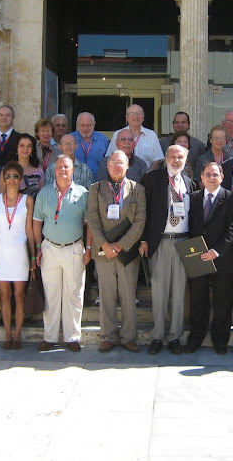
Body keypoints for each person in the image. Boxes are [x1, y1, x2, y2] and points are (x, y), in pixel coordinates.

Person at [139, 145, 197, 355]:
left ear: (185, 160)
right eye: (172, 156)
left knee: (180, 292)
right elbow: (143, 211)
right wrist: (144, 239)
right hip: (160, 242)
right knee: (159, 290)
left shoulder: (189, 183)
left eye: (180, 157)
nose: (176, 160)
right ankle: (157, 336)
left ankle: (175, 337)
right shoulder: (153, 178)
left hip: (183, 242)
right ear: (165, 158)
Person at [87, 151, 146, 353]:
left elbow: (140, 221)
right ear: (107, 165)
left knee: (128, 295)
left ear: (127, 165)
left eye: (121, 163)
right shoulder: (96, 189)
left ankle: (129, 337)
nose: (117, 166)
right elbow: (93, 220)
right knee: (107, 295)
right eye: (113, 162)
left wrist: (120, 245)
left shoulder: (138, 189)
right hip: (103, 251)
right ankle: (108, 336)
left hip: (127, 251)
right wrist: (104, 244)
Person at [34, 155, 91, 352]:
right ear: (54, 170)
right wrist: (37, 248)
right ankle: (49, 337)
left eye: (66, 167)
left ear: (72, 170)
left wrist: (89, 248)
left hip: (74, 248)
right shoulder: (44, 194)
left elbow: (90, 223)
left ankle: (72, 337)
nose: (62, 170)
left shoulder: (83, 193)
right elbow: (36, 222)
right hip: (49, 247)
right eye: (59, 167)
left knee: (74, 294)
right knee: (51, 294)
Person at [185, 162, 233, 355]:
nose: (211, 178)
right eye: (207, 174)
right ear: (201, 177)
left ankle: (220, 340)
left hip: (221, 257)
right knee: (198, 300)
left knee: (222, 301)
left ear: (222, 177)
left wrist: (216, 251)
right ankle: (195, 338)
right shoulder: (192, 198)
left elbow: (232, 229)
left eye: (215, 174)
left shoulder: (232, 198)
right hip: (197, 256)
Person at [0, 161, 36, 350]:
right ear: (4, 179)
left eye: (15, 176)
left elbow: (30, 231)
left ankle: (17, 334)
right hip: (0, 251)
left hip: (20, 254)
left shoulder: (27, 200)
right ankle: (7, 334)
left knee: (20, 295)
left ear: (21, 179)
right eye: (8, 177)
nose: (11, 180)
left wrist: (33, 257)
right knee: (4, 295)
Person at [107, 104, 164, 168]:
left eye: (139, 113)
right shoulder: (118, 134)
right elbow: (109, 157)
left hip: (146, 175)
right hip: (121, 176)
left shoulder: (151, 135)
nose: (136, 116)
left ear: (143, 117)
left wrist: (146, 175)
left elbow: (157, 161)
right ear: (127, 117)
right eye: (132, 113)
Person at [0, 133, 44, 198]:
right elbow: (1, 196)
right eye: (22, 145)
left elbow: (42, 198)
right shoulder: (6, 170)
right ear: (16, 148)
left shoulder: (39, 172)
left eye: (29, 146)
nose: (25, 149)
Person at [71, 112, 110, 176]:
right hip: (75, 182)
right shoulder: (70, 139)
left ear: (94, 124)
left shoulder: (103, 139)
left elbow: (109, 161)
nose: (85, 128)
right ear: (77, 124)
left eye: (88, 125)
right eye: (82, 125)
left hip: (97, 182)